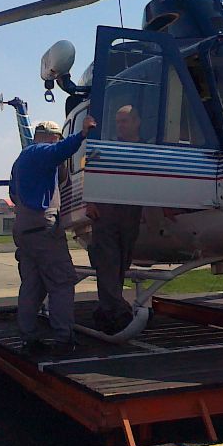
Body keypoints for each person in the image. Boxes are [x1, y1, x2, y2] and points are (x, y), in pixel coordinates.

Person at [10, 116, 96, 354]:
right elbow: (60, 151)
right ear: (51, 137)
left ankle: (28, 337)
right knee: (62, 282)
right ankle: (63, 338)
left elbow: (14, 194)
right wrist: (82, 134)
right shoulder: (41, 151)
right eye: (57, 139)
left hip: (24, 229)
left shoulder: (21, 160)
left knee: (32, 285)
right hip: (44, 229)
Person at [86, 105, 144, 335]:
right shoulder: (106, 147)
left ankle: (109, 308)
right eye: (118, 122)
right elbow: (90, 171)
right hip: (105, 212)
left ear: (137, 122)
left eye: (124, 121)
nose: (120, 126)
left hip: (131, 212)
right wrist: (90, 201)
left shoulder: (146, 149)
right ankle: (115, 311)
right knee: (108, 262)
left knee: (122, 262)